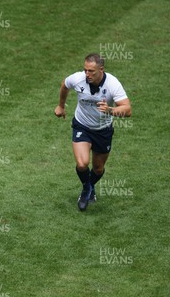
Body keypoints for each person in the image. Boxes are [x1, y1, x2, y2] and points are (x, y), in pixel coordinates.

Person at [54, 53, 132, 211]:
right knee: (82, 164)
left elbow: (127, 110)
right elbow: (64, 84)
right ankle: (86, 190)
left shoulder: (112, 84)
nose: (87, 74)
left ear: (101, 69)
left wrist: (110, 110)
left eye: (91, 71)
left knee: (98, 168)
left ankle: (90, 186)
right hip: (82, 125)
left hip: (103, 130)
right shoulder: (78, 78)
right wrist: (61, 106)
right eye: (85, 70)